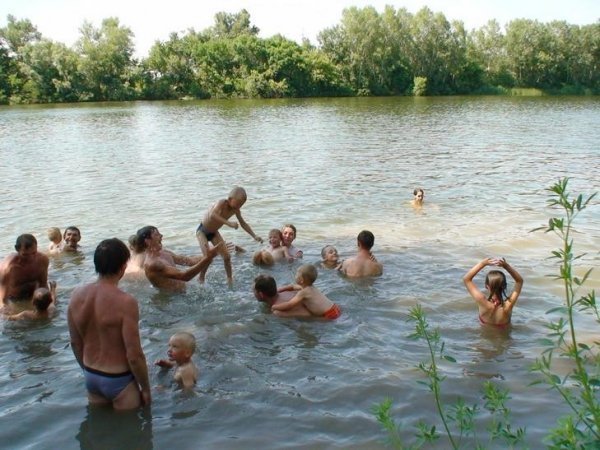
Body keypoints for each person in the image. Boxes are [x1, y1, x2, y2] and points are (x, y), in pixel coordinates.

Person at [67, 238, 151, 410]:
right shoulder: (126, 302)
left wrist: (88, 372)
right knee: (130, 426)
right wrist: (146, 389)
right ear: (123, 267)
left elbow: (75, 343)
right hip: (119, 378)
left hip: (91, 375)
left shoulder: (76, 295)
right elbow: (134, 355)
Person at [196, 186, 263, 284]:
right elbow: (212, 215)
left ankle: (229, 279)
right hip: (202, 231)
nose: (239, 206)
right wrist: (229, 223)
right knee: (207, 257)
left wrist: (254, 236)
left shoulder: (236, 210)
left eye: (242, 205)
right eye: (238, 203)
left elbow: (243, 223)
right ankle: (201, 278)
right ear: (230, 199)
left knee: (227, 256)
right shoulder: (222, 203)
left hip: (214, 232)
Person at [136, 226, 220, 292]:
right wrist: (207, 258)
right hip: (172, 300)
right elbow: (184, 276)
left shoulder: (164, 252)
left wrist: (213, 253)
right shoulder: (152, 264)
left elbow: (189, 261)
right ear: (148, 241)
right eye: (156, 234)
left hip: (182, 293)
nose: (161, 235)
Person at [463, 257, 524, 327]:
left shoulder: (482, 301)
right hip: (504, 333)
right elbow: (519, 281)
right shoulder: (508, 304)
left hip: (485, 332)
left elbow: (466, 279)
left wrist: (483, 263)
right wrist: (506, 266)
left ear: (486, 286)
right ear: (504, 286)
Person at [272, 264, 341, 320]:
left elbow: (289, 305)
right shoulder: (310, 287)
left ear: (301, 280)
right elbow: (292, 286)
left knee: (313, 321)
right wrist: (279, 290)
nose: (295, 276)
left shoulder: (303, 292)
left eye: (296, 274)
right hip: (335, 308)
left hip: (329, 315)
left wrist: (275, 306)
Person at [0, 234, 49, 305]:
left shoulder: (42, 260)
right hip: (14, 300)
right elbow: (3, 299)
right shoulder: (8, 267)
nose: (31, 258)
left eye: (34, 253)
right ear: (17, 249)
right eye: (25, 255)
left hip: (35, 297)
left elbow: (43, 284)